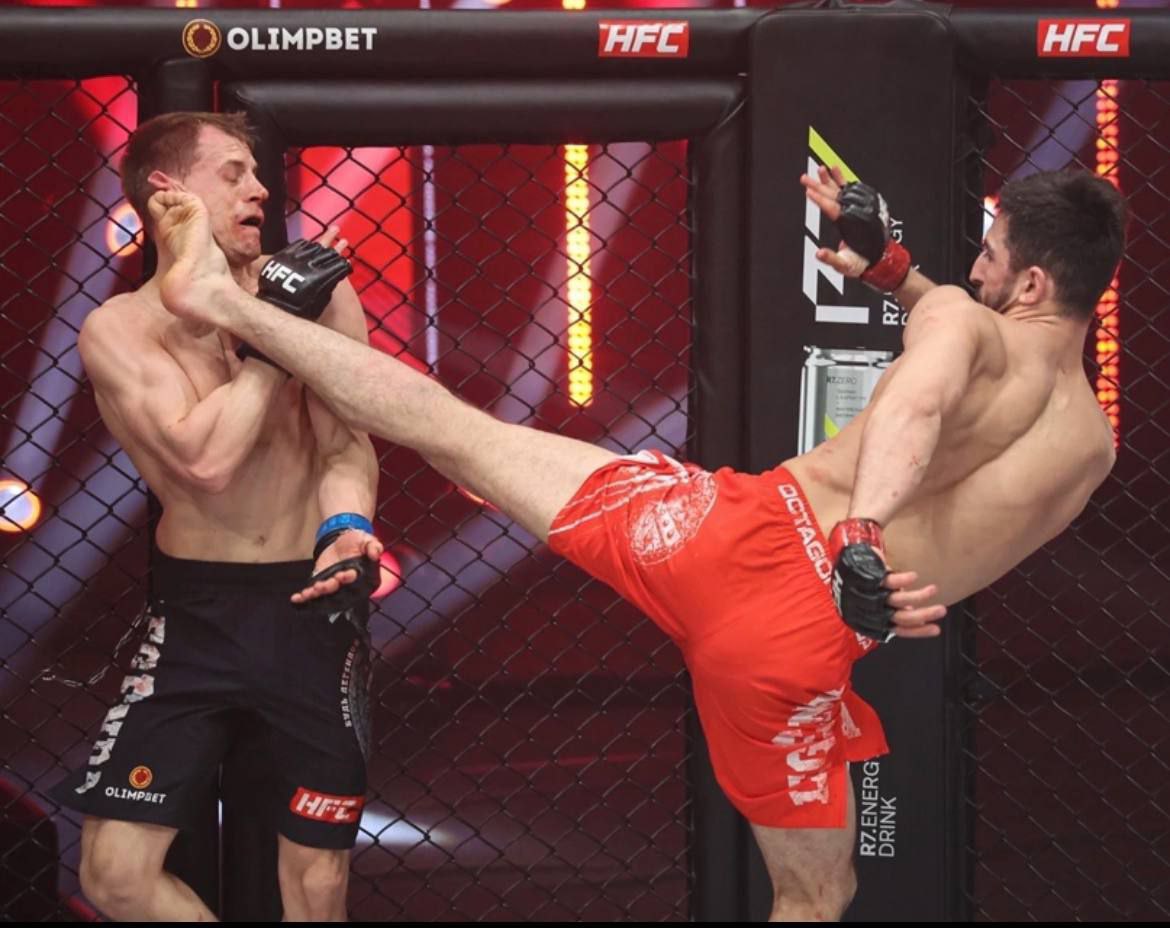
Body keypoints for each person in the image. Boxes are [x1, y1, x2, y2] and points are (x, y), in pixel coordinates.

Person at [145, 162, 1124, 921]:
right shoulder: (1090, 446)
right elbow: (971, 427)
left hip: (732, 537)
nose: (976, 267)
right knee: (818, 895)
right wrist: (896, 274)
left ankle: (223, 302)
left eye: (991, 251)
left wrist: (861, 529)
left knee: (454, 429)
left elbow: (923, 400)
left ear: (1032, 278)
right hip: (802, 651)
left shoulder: (960, 324)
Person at [49, 112, 381, 922]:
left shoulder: (322, 291)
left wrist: (345, 528)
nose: (260, 189)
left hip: (308, 607)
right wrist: (269, 338)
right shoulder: (118, 329)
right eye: (233, 172)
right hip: (196, 616)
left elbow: (347, 443)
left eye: (258, 173)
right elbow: (204, 462)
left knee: (317, 885)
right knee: (115, 875)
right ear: (169, 192)